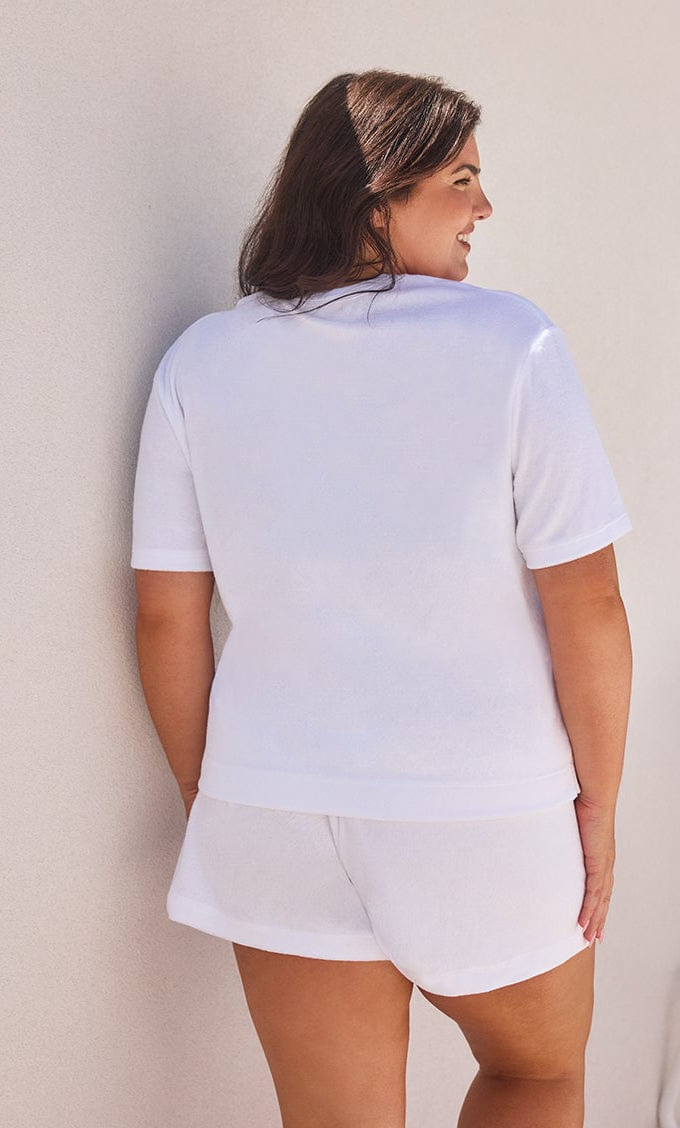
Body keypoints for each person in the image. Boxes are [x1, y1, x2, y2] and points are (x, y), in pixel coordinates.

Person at [130, 69, 633, 1128]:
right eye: (460, 181)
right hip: (481, 813)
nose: (482, 211)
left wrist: (216, 799)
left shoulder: (200, 362)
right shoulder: (510, 344)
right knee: (534, 1075)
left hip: (271, 810)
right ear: (375, 195)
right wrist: (597, 806)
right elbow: (586, 604)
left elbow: (167, 618)